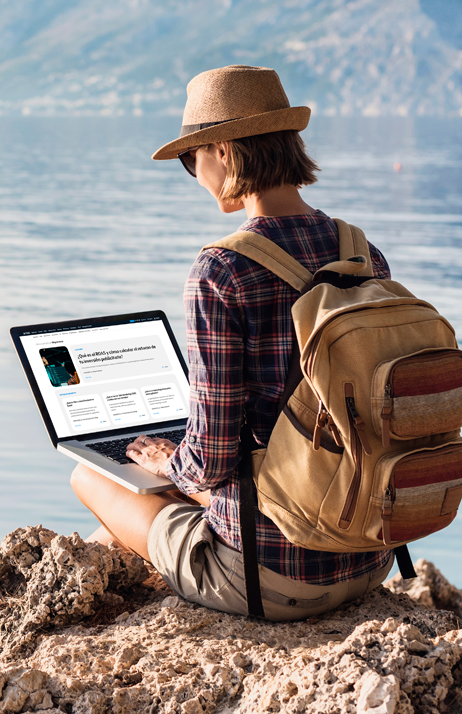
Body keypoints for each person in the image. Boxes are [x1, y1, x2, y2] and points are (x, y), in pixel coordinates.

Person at [70, 64, 393, 620]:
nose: (194, 173)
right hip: (367, 554)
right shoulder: (360, 251)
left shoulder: (222, 269)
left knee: (94, 477)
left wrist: (172, 463)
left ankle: (80, 598)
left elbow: (212, 458)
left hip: (271, 580)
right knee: (173, 483)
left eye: (189, 159)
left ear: (221, 150)